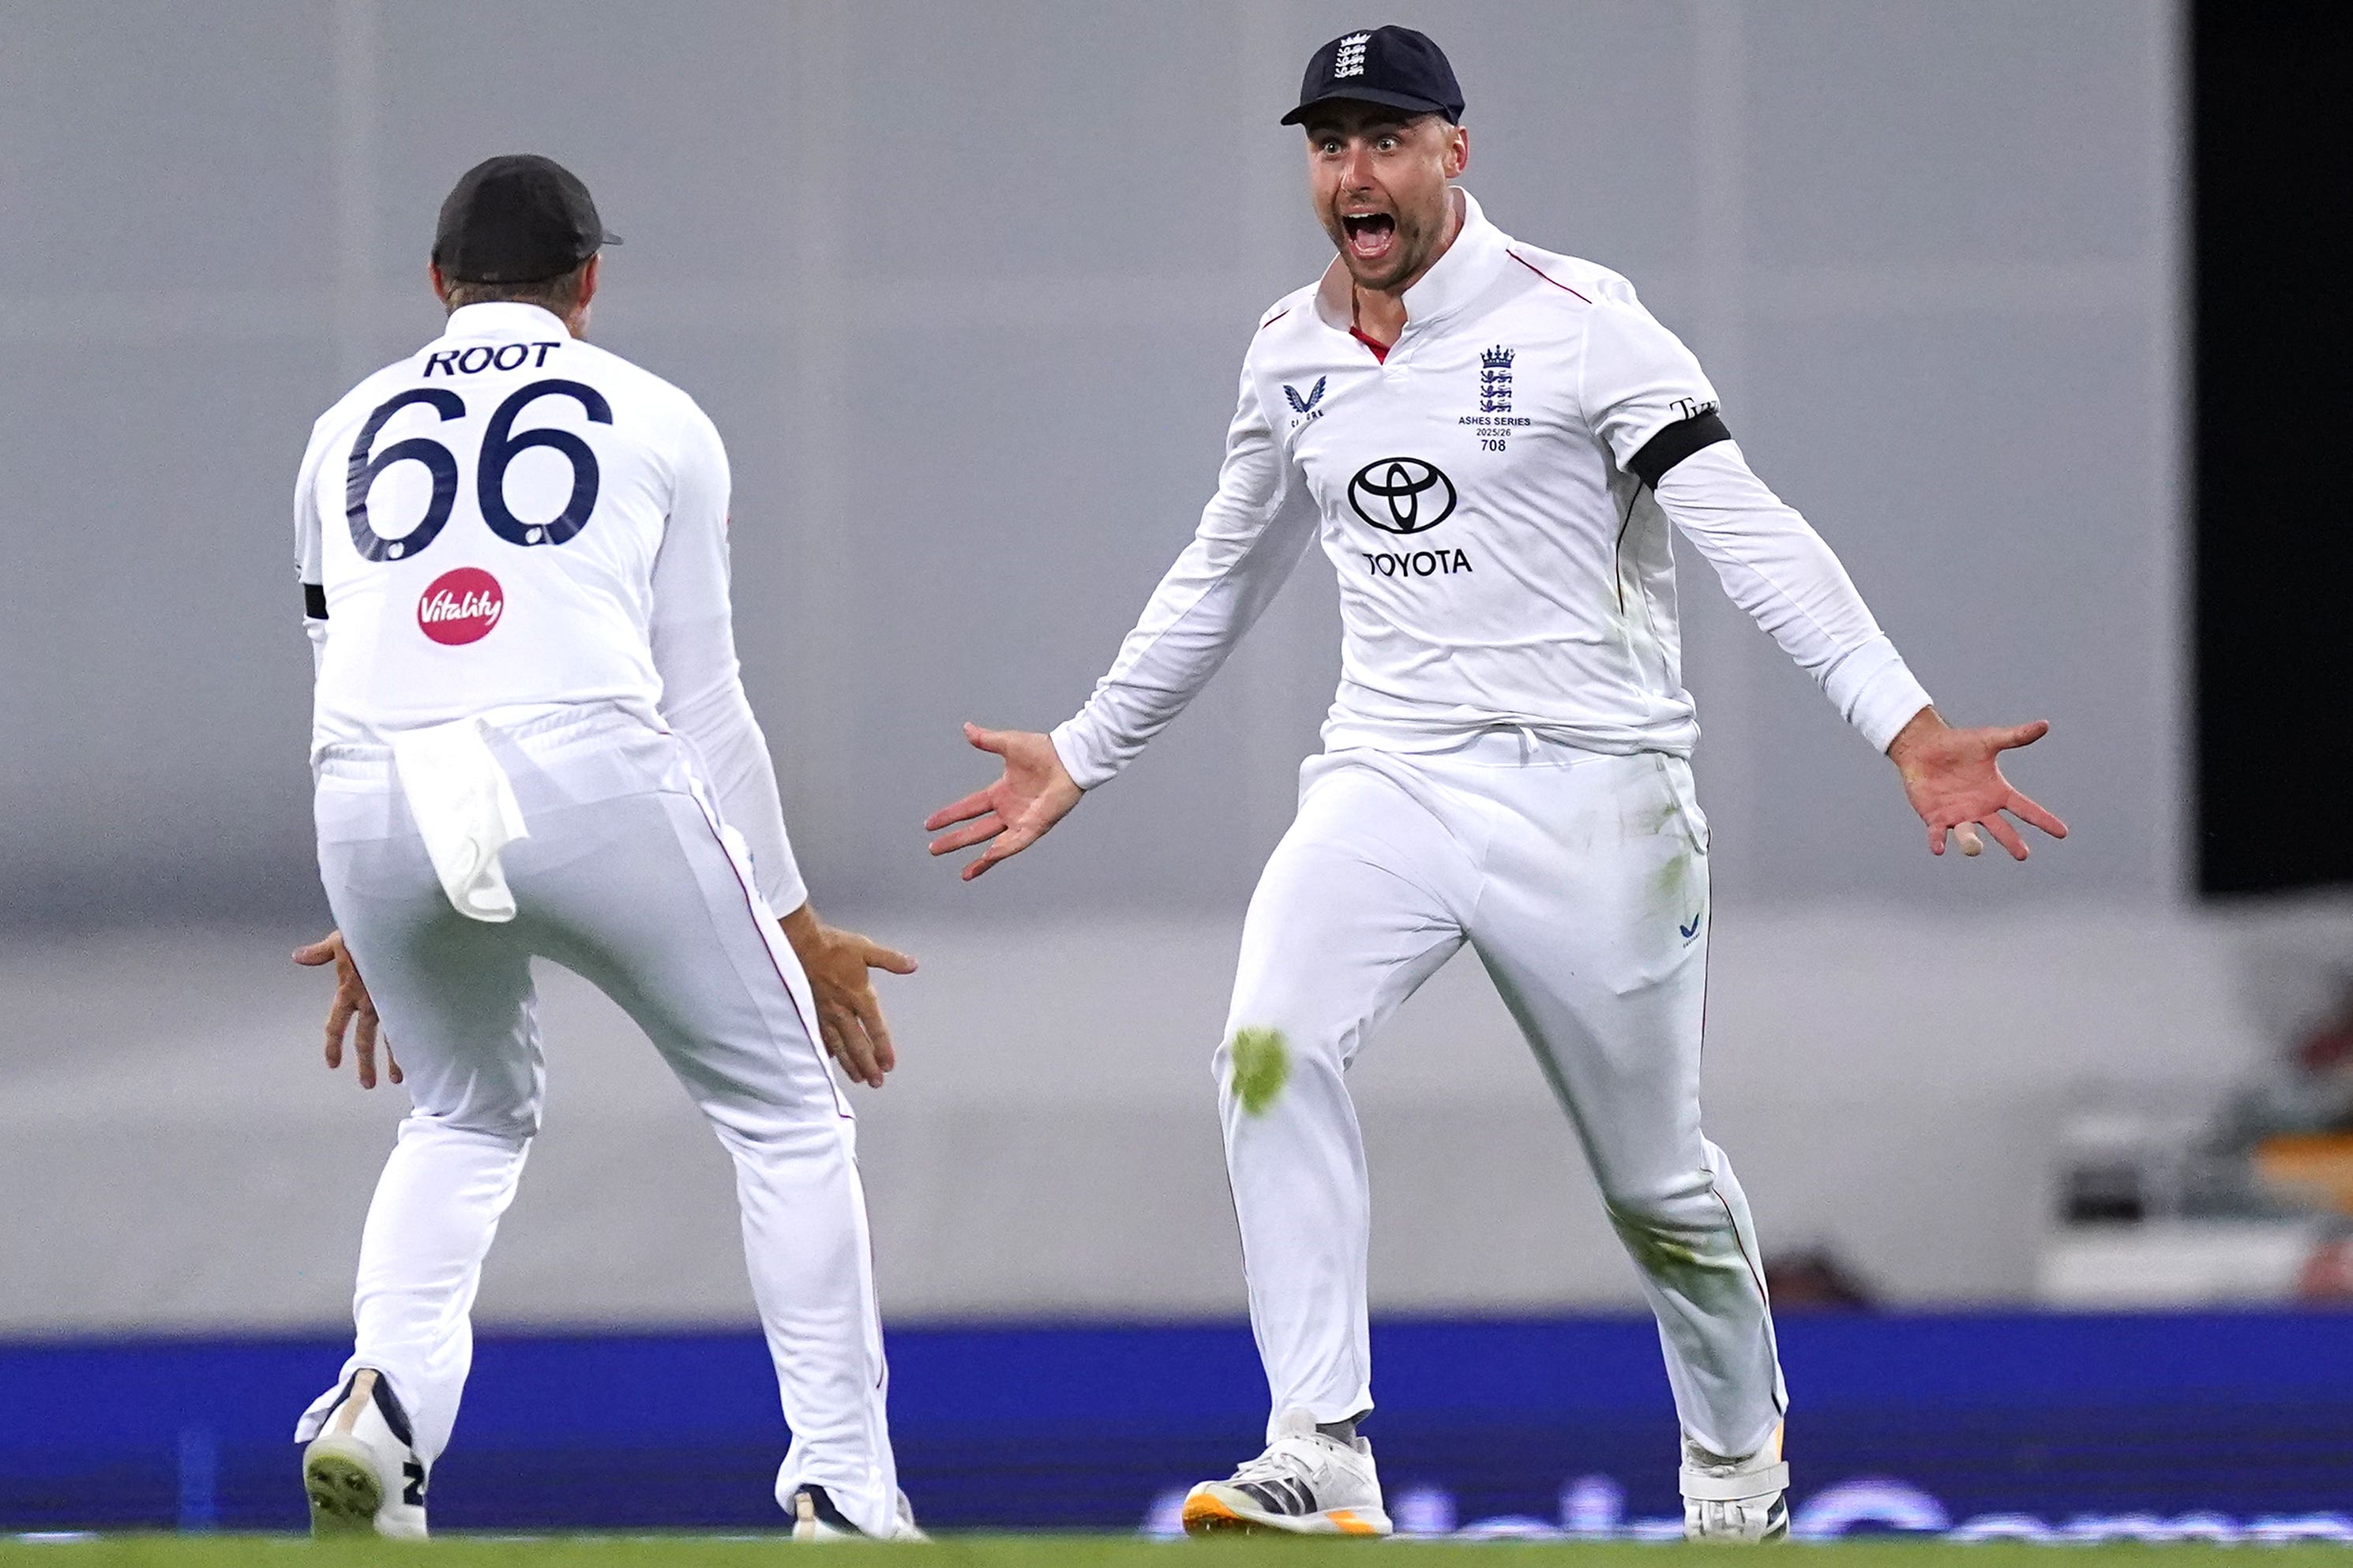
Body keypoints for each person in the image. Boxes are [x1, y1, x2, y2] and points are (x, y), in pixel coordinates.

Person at [925, 26, 2064, 1543]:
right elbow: (1226, 569)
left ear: (1455, 151)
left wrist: (1905, 727)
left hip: (1600, 799)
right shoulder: (1289, 350)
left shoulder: (1588, 324)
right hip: (1389, 776)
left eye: (1385, 139)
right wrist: (1086, 745)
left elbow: (1749, 528)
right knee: (1266, 1044)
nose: (1355, 174)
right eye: (1330, 145)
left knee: (1657, 1186)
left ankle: (1737, 1462)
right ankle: (1318, 1440)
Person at [288, 154, 919, 1541]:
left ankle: (383, 1407)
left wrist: (374, 899)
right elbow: (704, 700)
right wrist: (797, 924)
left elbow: (351, 668)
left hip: (374, 791)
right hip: (585, 765)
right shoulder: (660, 418)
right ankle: (845, 1492)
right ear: (588, 283)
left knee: (458, 1114)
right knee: (789, 1116)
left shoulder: (341, 430)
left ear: (437, 284)